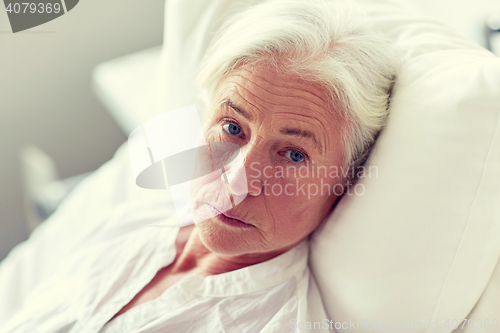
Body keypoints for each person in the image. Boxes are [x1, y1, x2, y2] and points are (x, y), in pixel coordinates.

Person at [0, 0, 398, 332]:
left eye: (293, 154)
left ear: (344, 181)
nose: (237, 183)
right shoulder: (132, 219)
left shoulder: (267, 323)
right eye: (231, 127)